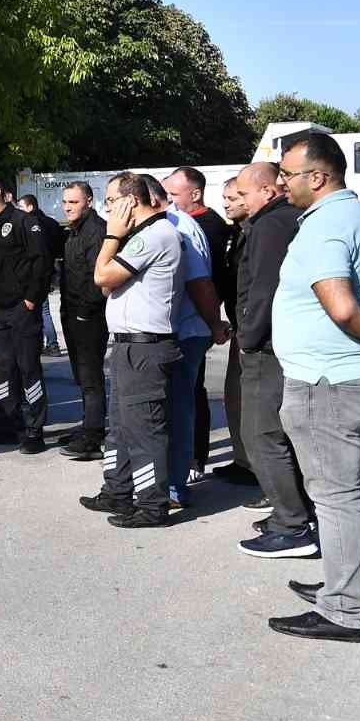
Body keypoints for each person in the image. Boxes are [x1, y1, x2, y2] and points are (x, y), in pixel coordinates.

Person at [267, 133, 360, 643]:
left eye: (288, 174)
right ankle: (346, 585)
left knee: (336, 496)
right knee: (354, 489)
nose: (280, 182)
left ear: (318, 177)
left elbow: (341, 307)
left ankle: (342, 608)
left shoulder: (325, 227)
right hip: (352, 379)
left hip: (328, 383)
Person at [81, 171, 183, 528]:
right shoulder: (140, 237)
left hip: (145, 348)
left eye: (112, 201)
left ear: (130, 201)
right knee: (121, 427)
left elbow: (102, 278)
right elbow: (108, 283)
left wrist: (112, 235)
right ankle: (118, 491)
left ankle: (152, 505)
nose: (108, 208)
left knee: (144, 431)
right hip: (128, 345)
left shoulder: (155, 234)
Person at [231, 161, 313, 558]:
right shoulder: (286, 220)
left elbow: (263, 288)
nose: (238, 200)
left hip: (266, 348)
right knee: (277, 435)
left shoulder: (268, 226)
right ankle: (296, 511)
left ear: (266, 191)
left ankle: (291, 525)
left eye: (244, 193)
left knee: (262, 436)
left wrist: (247, 338)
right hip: (279, 343)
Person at [148, 174, 228, 508]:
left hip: (185, 332)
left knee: (180, 408)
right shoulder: (166, 224)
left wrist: (213, 324)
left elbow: (201, 283)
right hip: (172, 331)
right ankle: (164, 480)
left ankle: (176, 485)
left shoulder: (179, 226)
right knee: (169, 408)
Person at [0, 176, 54, 454]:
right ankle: (7, 423)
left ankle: (35, 429)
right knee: (2, 369)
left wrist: (32, 299)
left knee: (28, 368)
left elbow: (42, 261)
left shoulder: (22, 221)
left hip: (21, 308)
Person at [165, 167, 235, 480]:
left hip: (197, 322)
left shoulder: (209, 226)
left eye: (173, 195)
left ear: (195, 194)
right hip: (181, 321)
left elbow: (212, 280)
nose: (168, 202)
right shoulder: (177, 221)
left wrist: (211, 319)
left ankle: (194, 458)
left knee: (192, 391)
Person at [57, 182, 109, 460]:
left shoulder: (96, 231)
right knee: (81, 374)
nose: (68, 207)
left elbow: (97, 278)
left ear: (88, 201)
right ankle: (89, 424)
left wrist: (84, 311)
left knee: (90, 376)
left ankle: (94, 433)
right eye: (66, 202)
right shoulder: (74, 231)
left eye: (74, 202)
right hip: (72, 312)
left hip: (88, 315)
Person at [216, 178, 257, 486]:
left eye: (234, 197)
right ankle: (243, 460)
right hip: (238, 328)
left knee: (257, 406)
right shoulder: (234, 233)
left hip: (255, 332)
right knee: (235, 398)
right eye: (225, 197)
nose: (227, 203)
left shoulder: (262, 232)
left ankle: (263, 471)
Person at [18, 194, 64, 354]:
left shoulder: (30, 224)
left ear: (30, 207)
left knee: (41, 310)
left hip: (36, 274)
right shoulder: (51, 222)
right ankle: (50, 344)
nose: (19, 211)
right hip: (50, 270)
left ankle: (51, 344)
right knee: (43, 310)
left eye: (21, 207)